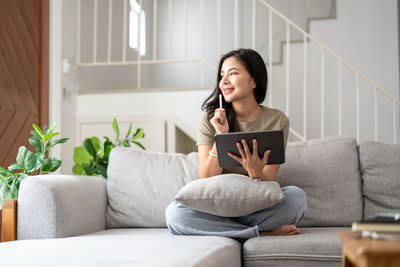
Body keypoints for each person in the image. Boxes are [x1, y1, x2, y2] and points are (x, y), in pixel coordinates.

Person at [165, 48, 307, 239]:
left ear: (254, 80)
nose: (224, 81)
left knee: (297, 198)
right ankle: (259, 233)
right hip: (217, 209)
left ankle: (228, 231)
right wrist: (220, 137)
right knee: (175, 214)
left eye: (233, 73)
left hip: (256, 207)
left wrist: (256, 173)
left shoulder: (277, 120)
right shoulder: (210, 120)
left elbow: (269, 175)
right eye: (222, 75)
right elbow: (206, 176)